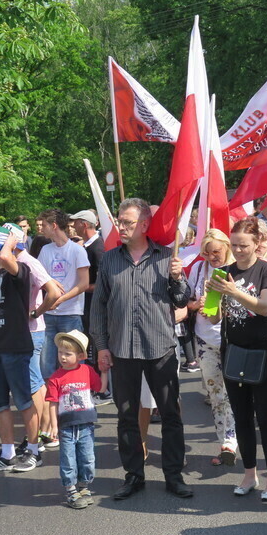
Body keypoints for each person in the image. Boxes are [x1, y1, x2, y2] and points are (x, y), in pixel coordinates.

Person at [90, 198, 192, 499]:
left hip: (160, 348)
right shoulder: (110, 259)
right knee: (127, 416)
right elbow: (98, 307)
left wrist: (177, 278)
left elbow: (182, 300)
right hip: (122, 349)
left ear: (145, 225)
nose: (120, 227)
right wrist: (101, 347)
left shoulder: (166, 257)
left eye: (127, 222)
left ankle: (173, 475)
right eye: (119, 221)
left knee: (170, 414)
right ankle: (134, 475)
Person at [205, 216, 267, 500]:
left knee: (266, 418)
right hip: (233, 354)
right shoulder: (223, 273)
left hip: (263, 354)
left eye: (244, 245)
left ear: (257, 243)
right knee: (242, 418)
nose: (238, 251)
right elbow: (213, 316)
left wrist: (234, 292)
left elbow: (265, 307)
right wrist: (210, 301)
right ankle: (250, 475)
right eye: (234, 245)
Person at [0, 227, 42, 473]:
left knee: (23, 401)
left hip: (16, 346)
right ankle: (7, 453)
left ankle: (34, 450)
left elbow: (5, 256)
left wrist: (11, 242)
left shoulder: (20, 270)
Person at [2, 222, 62, 454]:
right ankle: (43, 432)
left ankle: (40, 434)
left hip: (32, 332)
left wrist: (36, 313)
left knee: (34, 384)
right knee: (34, 383)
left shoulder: (27, 262)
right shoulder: (19, 262)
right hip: (21, 332)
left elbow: (54, 292)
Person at [37, 208, 90, 443]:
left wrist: (61, 298)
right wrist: (48, 294)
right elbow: (39, 278)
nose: (41, 229)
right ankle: (52, 423)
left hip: (71, 314)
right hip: (49, 316)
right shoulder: (45, 250)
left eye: (44, 225)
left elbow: (84, 283)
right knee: (47, 368)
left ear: (54, 226)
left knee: (73, 368)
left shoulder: (77, 250)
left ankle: (76, 418)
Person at [186, 229, 238, 466]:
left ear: (227, 246)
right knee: (216, 393)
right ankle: (225, 443)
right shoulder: (199, 269)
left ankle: (235, 438)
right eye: (206, 253)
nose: (211, 257)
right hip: (204, 340)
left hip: (232, 340)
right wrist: (197, 303)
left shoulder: (236, 269)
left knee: (233, 393)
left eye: (215, 251)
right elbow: (187, 301)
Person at [45, 330, 101, 509]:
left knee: (87, 458)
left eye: (68, 353)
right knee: (68, 460)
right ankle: (71, 489)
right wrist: (54, 426)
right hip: (66, 427)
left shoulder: (87, 371)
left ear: (80, 356)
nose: (62, 357)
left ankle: (84, 486)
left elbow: (100, 388)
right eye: (60, 352)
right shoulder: (55, 378)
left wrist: (106, 371)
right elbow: (52, 403)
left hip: (86, 424)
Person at [69, 209, 112, 404]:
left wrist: (81, 287)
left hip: (96, 307)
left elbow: (105, 281)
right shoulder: (87, 246)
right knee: (90, 346)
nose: (73, 226)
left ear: (84, 224)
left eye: (76, 222)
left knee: (96, 347)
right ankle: (98, 388)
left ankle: (103, 390)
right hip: (86, 305)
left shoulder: (97, 248)